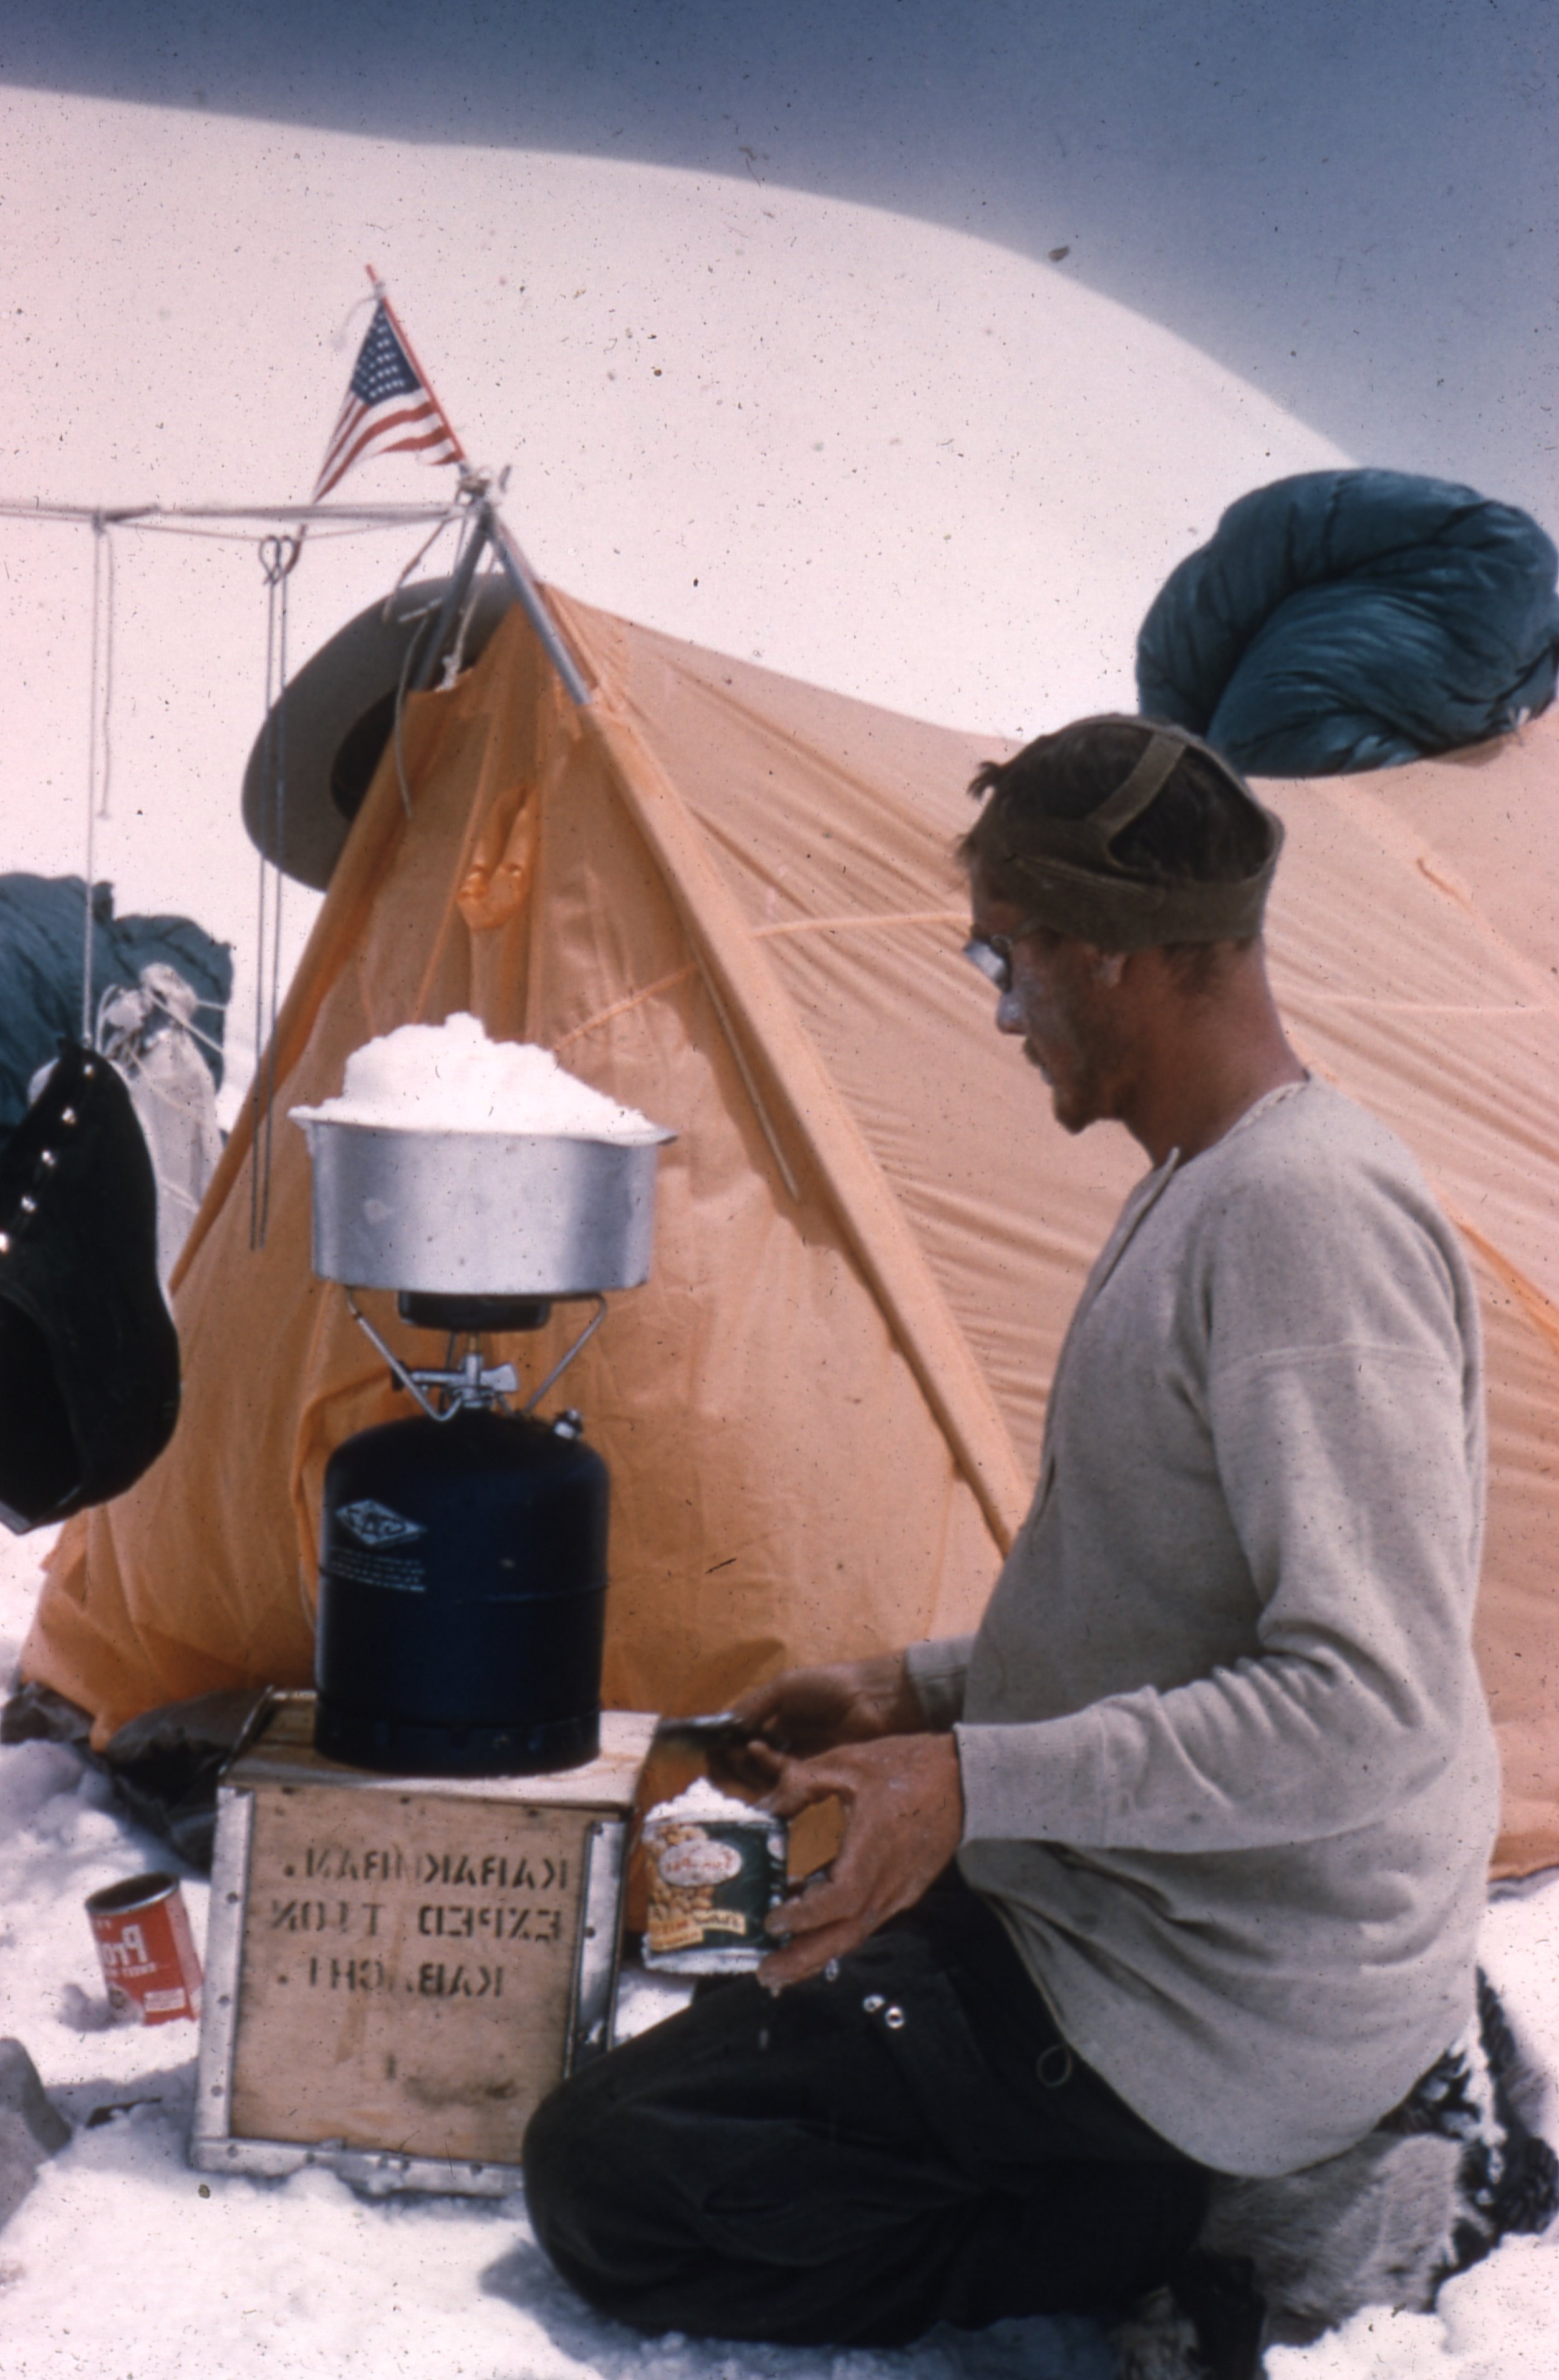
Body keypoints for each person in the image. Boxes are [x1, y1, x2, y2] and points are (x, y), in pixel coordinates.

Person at [523, 715, 1499, 2374]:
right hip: (1136, 1916)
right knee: (735, 2011)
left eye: (1005, 954)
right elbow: (1175, 1617)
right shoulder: (1202, 1182)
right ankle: (1183, 2152)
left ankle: (1216, 2216)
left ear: (1108, 955)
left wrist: (975, 1782)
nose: (996, 1005)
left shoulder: (1301, 1221)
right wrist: (912, 1696)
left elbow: (1363, 1708)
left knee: (616, 2180)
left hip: (1215, 1997)